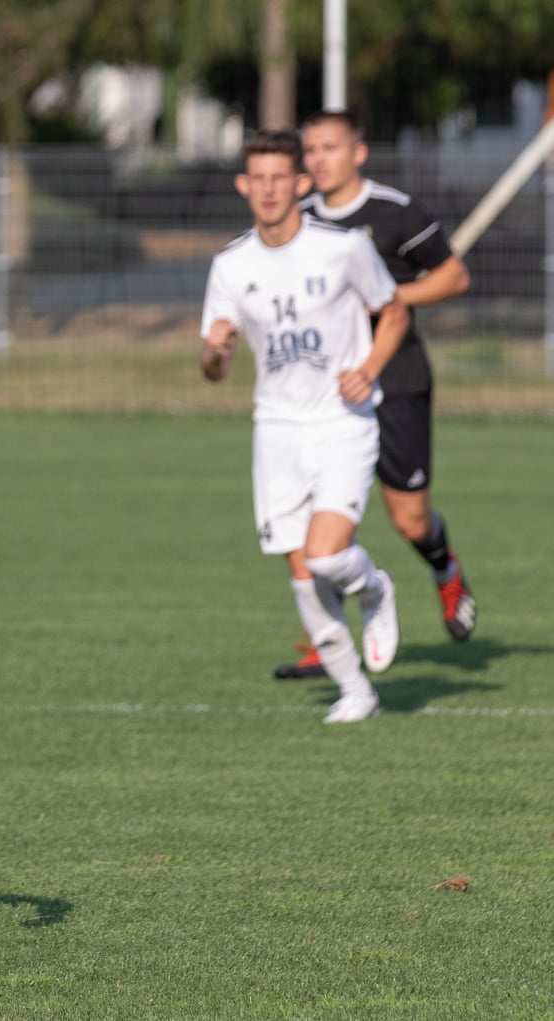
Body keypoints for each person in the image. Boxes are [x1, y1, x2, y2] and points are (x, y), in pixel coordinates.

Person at [201, 130, 409, 724]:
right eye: (257, 179)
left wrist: (368, 370)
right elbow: (213, 369)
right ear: (243, 186)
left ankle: (374, 588)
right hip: (277, 431)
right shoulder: (231, 265)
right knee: (301, 574)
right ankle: (355, 691)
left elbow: (394, 311)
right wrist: (216, 351)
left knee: (325, 556)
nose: (268, 190)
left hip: (342, 422)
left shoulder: (342, 249)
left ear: (300, 183)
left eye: (279, 178)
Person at [274, 109, 477, 680]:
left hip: (397, 380)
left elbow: (454, 277)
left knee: (409, 520)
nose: (319, 159)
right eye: (311, 150)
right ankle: (327, 640)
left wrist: (388, 298)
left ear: (357, 153)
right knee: (313, 518)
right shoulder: (300, 218)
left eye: (330, 147)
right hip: (325, 391)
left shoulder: (394, 211)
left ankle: (445, 569)